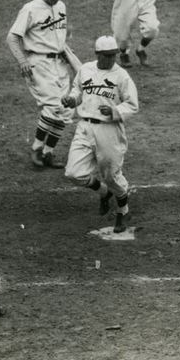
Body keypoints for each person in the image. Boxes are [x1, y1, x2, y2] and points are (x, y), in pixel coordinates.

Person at [61, 36, 139, 233]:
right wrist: (71, 100)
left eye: (113, 55)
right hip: (85, 127)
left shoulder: (121, 76)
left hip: (109, 130)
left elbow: (132, 105)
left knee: (112, 176)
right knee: (73, 172)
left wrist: (114, 112)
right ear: (98, 54)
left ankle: (122, 210)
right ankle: (104, 193)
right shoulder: (85, 70)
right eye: (107, 55)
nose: (111, 59)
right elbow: (78, 91)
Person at [6, 0, 75, 169]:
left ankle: (48, 153)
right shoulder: (30, 9)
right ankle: (36, 148)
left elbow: (60, 33)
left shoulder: (61, 7)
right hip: (38, 62)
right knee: (53, 106)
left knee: (67, 108)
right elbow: (11, 37)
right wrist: (22, 61)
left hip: (58, 62)